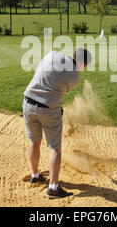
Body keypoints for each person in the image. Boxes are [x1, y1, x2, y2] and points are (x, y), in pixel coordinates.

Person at [23, 48, 92, 199]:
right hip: (49, 110)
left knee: (34, 142)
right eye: (85, 66)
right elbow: (63, 85)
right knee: (55, 149)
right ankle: (53, 188)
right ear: (84, 64)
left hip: (28, 103)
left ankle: (35, 175)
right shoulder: (74, 78)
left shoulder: (52, 54)